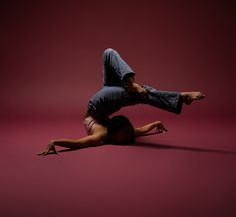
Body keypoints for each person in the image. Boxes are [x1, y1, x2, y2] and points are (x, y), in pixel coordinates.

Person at [38, 48, 205, 156]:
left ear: (115, 133)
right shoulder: (125, 132)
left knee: (139, 94)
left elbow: (78, 144)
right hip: (109, 99)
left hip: (99, 104)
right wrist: (155, 124)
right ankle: (133, 84)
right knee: (108, 53)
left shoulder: (101, 136)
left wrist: (54, 142)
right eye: (128, 136)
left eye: (124, 138)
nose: (127, 138)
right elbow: (141, 130)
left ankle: (171, 96)